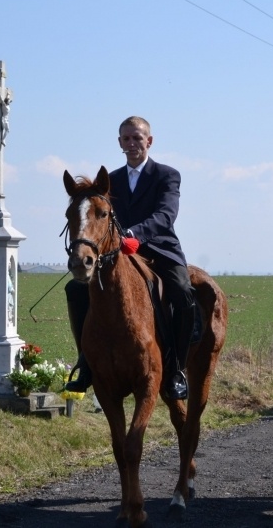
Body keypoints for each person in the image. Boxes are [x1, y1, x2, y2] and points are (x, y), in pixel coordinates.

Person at [64, 116, 195, 400]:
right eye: (127, 138)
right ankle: (85, 364)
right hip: (117, 253)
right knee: (75, 289)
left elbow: (166, 215)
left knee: (183, 293)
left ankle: (177, 369)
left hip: (159, 249)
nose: (132, 143)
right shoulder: (110, 181)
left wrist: (135, 233)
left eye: (138, 138)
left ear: (149, 141)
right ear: (120, 143)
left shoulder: (167, 175)